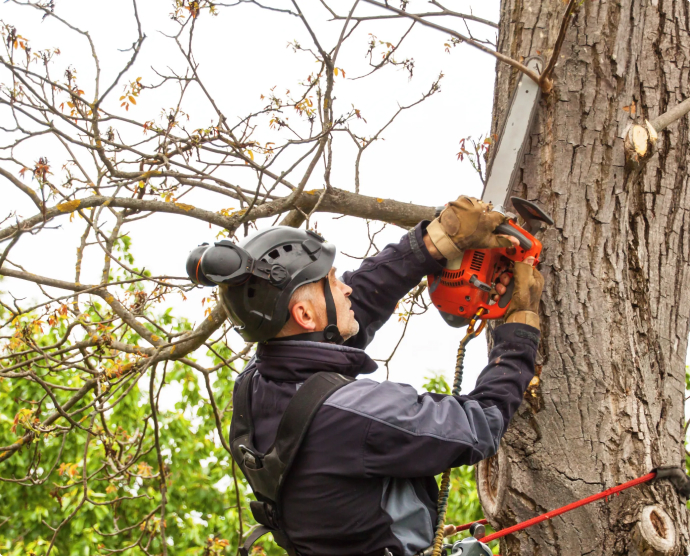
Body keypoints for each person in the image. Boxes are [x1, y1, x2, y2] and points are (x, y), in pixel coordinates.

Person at [187, 196, 543, 556]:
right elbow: (480, 424)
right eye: (331, 280)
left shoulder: (255, 384)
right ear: (305, 315)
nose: (347, 288)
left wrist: (432, 242)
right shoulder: (356, 413)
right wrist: (519, 328)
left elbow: (360, 302)